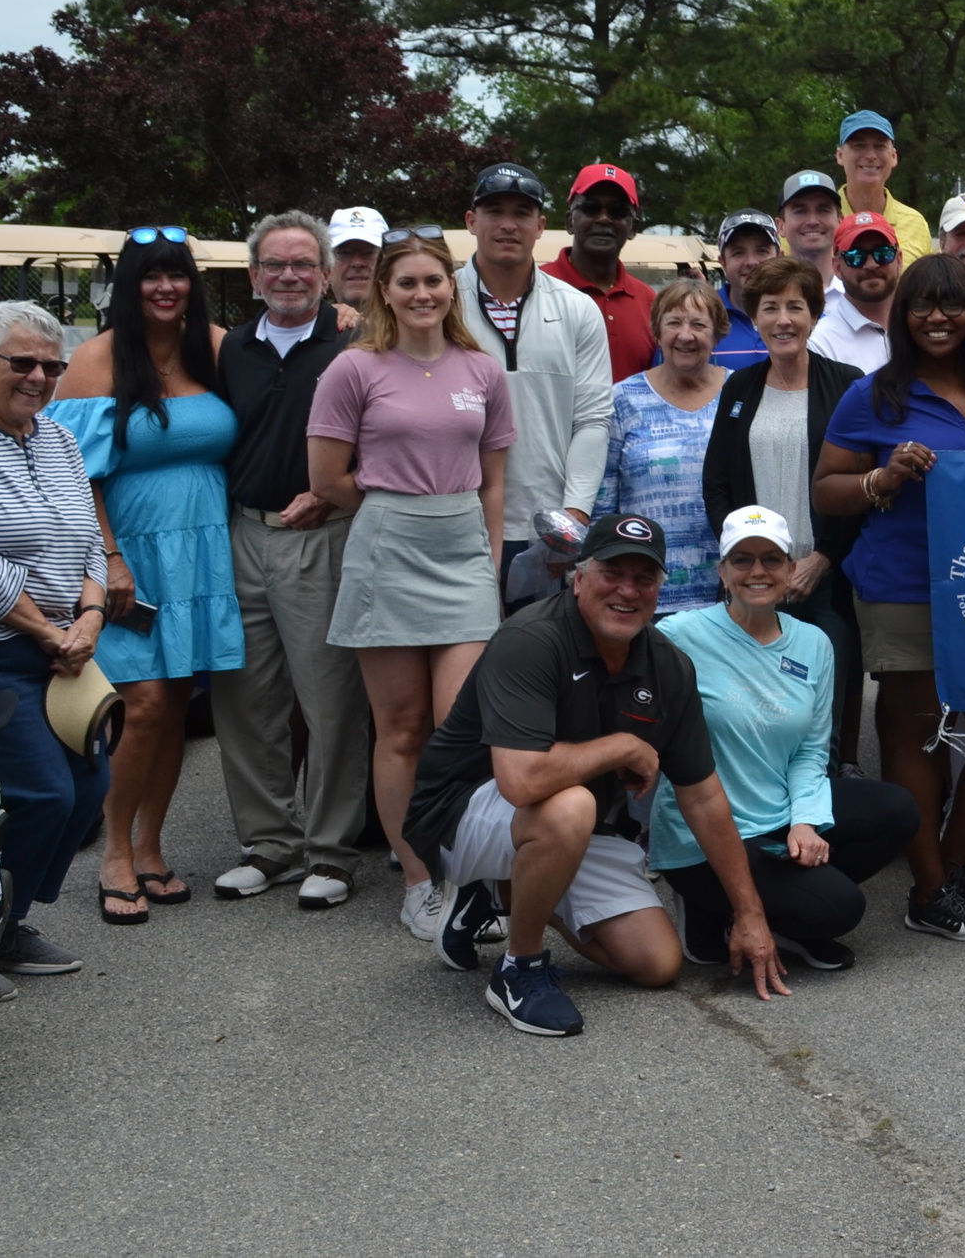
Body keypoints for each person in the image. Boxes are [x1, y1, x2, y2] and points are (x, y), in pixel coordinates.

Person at [404, 513, 788, 1035]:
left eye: (644, 577)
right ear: (579, 577)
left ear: (659, 589)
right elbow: (521, 782)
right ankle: (519, 967)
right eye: (612, 572)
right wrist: (623, 745)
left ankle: (501, 893)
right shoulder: (531, 639)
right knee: (570, 805)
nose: (627, 590)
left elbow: (703, 797)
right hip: (461, 815)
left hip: (559, 829)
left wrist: (750, 914)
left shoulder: (669, 666)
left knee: (656, 964)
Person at [307, 226, 515, 943]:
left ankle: (470, 873)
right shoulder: (354, 368)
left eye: (434, 280)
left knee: (462, 728)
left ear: (450, 287)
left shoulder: (481, 369)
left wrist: (488, 561)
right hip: (386, 546)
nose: (422, 293)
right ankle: (421, 880)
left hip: (462, 555)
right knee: (400, 728)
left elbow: (494, 482)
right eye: (408, 282)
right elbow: (327, 477)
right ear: (384, 292)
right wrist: (395, 515)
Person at [812, 254, 965, 942]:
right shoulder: (873, 395)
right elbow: (827, 488)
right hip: (904, 583)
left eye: (953, 303)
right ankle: (930, 888)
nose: (938, 316)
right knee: (920, 731)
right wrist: (884, 476)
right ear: (901, 316)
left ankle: (951, 861)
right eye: (922, 304)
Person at [51, 226, 243, 925]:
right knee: (145, 705)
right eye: (150, 275)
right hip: (129, 556)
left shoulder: (213, 347)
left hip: (203, 555)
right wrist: (109, 559)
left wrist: (340, 312)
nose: (166, 287)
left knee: (178, 703)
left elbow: (285, 355)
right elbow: (71, 473)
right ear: (129, 286)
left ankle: (153, 847)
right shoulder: (97, 359)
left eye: (178, 274)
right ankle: (114, 855)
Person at [651, 507, 921, 974]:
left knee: (897, 809)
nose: (757, 571)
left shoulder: (814, 643)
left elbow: (812, 751)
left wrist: (806, 822)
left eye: (772, 559)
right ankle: (712, 906)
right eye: (742, 560)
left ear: (792, 570)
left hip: (775, 816)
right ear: (722, 571)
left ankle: (781, 910)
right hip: (705, 834)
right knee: (841, 909)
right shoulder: (679, 635)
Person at [212, 212, 366, 910]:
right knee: (246, 697)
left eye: (304, 263)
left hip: (320, 533)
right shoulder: (230, 350)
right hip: (241, 532)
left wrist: (331, 495)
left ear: (326, 273)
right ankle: (270, 842)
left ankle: (332, 850)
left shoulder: (351, 342)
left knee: (329, 697)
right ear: (253, 276)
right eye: (274, 264)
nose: (289, 275)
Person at [0, 301, 108, 985]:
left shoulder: (60, 439)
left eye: (52, 364)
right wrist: (50, 630)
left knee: (88, 785)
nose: (39, 376)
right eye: (22, 362)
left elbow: (89, 543)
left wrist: (92, 613)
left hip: (67, 647)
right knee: (42, 792)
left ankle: (8, 922)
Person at [702, 257, 866, 771]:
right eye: (770, 307)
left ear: (814, 316)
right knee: (754, 711)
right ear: (755, 318)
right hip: (754, 578)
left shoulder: (847, 384)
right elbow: (718, 484)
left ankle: (827, 818)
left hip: (824, 580)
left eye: (796, 306)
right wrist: (744, 562)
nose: (783, 319)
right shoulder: (739, 388)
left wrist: (824, 557)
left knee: (823, 717)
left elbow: (860, 485)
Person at [457, 163, 610, 614]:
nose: (508, 224)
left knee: (537, 669)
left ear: (541, 226)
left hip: (548, 532)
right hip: (460, 523)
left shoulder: (578, 310)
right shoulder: (438, 304)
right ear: (471, 222)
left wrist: (575, 515)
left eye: (522, 212)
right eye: (494, 211)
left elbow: (593, 419)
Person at [590, 278, 730, 616]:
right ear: (657, 331)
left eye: (699, 324)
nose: (685, 335)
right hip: (642, 591)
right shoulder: (622, 399)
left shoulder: (740, 393)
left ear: (717, 334)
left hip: (728, 593)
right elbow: (603, 501)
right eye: (674, 323)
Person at [546, 163, 659, 383]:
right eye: (590, 208)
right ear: (570, 221)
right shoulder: (535, 288)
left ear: (633, 228)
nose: (604, 218)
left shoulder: (651, 303)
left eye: (617, 211)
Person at [835, 110, 934, 265]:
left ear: (893, 157)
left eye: (880, 146)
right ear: (840, 155)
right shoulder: (819, 224)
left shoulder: (916, 224)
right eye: (859, 146)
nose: (870, 155)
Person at [808, 212, 901, 373]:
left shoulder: (920, 326)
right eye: (856, 256)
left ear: (899, 260)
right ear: (837, 267)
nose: (871, 265)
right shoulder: (819, 344)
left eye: (883, 253)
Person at [712, 210, 780, 372]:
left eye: (762, 251)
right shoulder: (699, 317)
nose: (751, 261)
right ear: (722, 262)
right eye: (738, 252)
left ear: (780, 256)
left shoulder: (809, 318)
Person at [779, 170, 845, 285]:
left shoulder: (858, 293)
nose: (812, 221)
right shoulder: (767, 295)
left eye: (823, 210)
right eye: (800, 211)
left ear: (840, 221)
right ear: (781, 226)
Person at [329, 206, 386, 313]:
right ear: (327, 268)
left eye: (369, 253)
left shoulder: (415, 327)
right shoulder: (305, 326)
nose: (357, 263)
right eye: (345, 253)